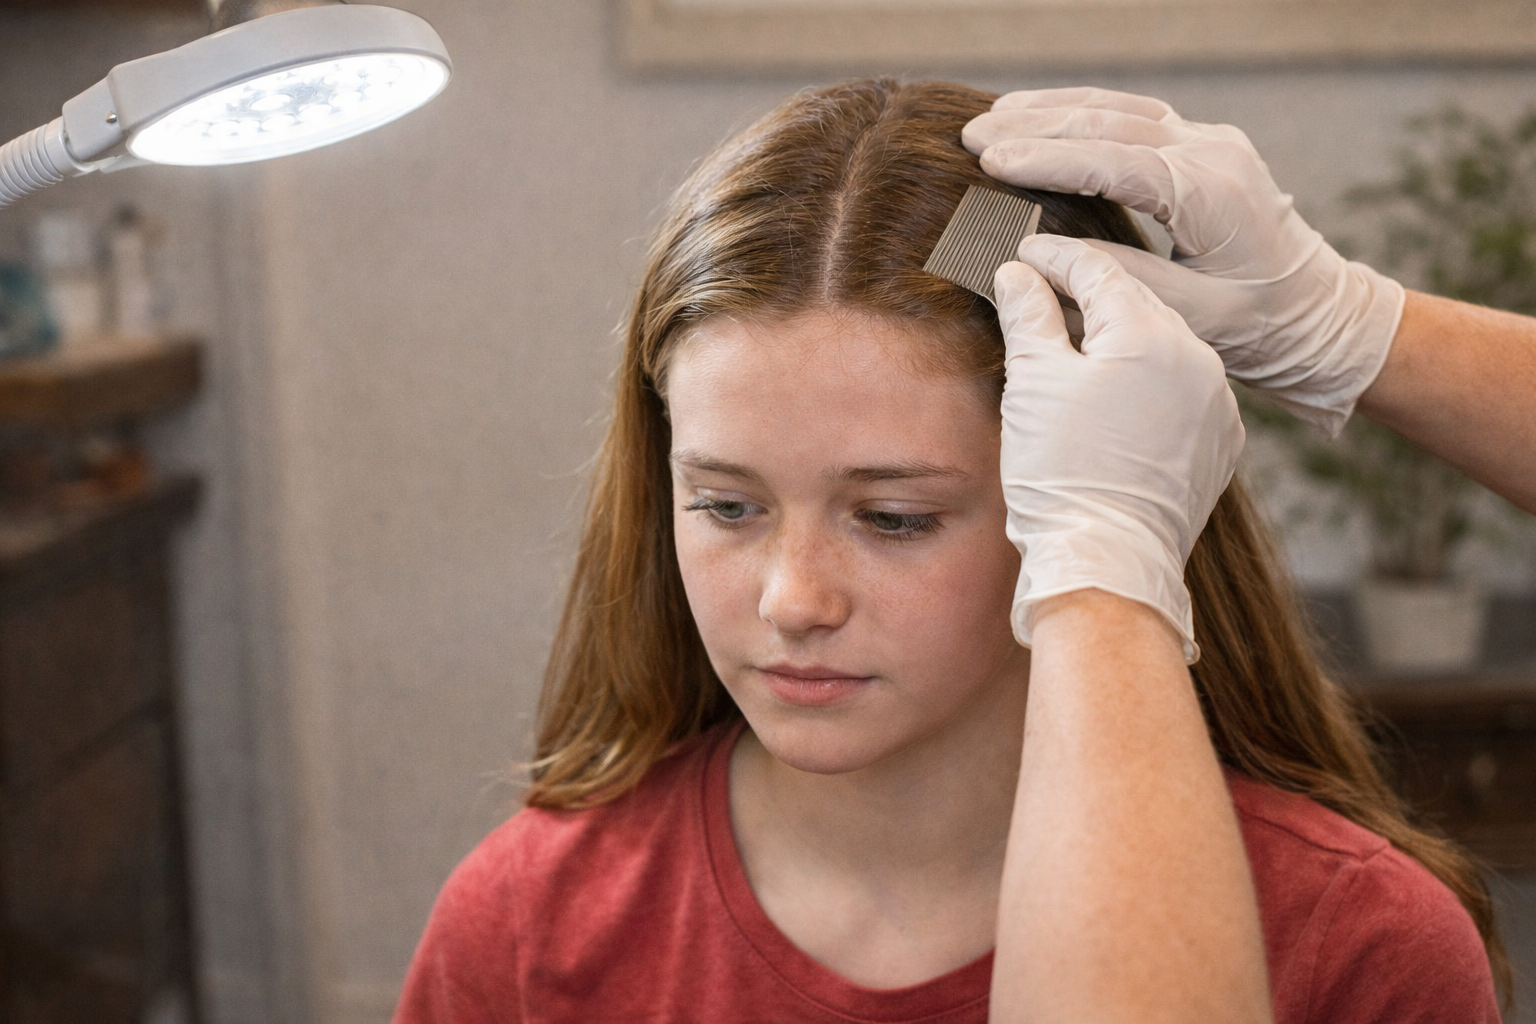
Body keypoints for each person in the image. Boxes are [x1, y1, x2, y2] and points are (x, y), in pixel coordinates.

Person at [394, 79, 1505, 1023]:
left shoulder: (1359, 946)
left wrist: (1355, 325)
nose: (793, 600)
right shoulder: (530, 926)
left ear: (1080, 490)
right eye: (727, 507)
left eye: (894, 519)